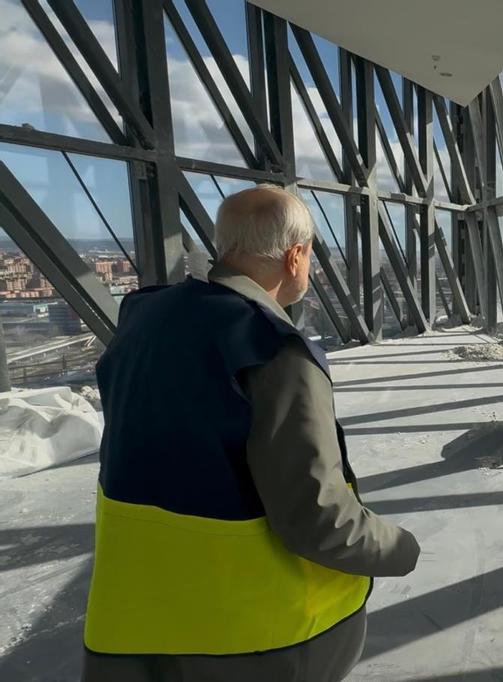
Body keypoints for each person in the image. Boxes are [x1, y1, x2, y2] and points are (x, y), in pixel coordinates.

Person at [82, 185, 420, 681]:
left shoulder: (144, 317)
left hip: (134, 621)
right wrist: (399, 547)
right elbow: (316, 516)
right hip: (250, 639)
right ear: (295, 256)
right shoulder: (272, 350)